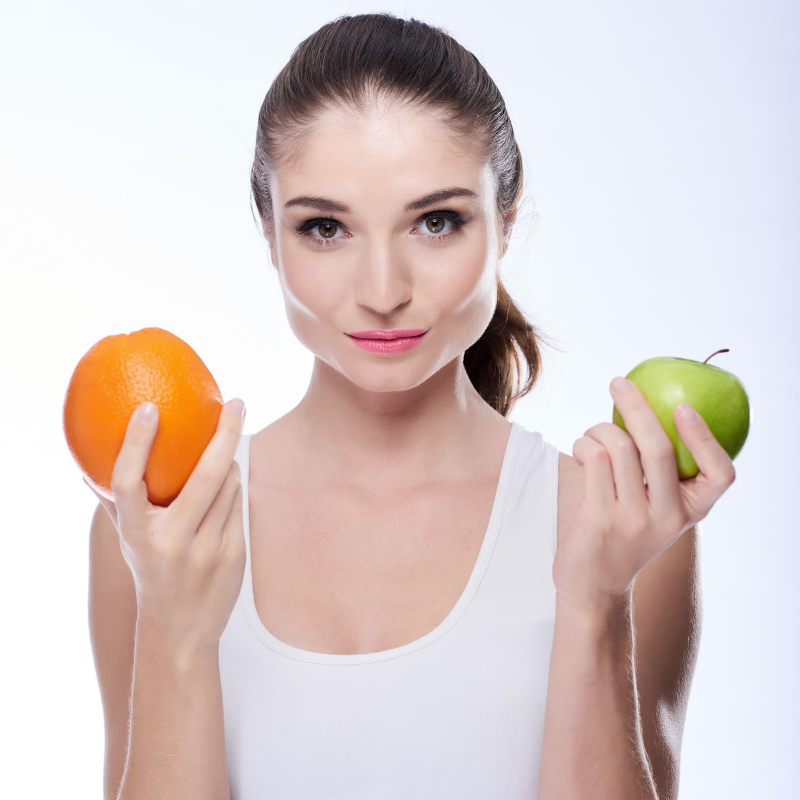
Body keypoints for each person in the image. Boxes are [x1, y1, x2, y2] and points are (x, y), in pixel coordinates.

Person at [91, 12, 734, 800]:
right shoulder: (164, 531)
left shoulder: (624, 525)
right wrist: (177, 631)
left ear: (505, 217)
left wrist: (595, 606)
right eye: (325, 228)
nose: (383, 291)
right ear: (268, 230)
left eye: (437, 222)